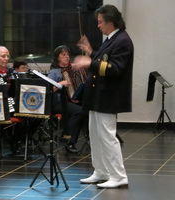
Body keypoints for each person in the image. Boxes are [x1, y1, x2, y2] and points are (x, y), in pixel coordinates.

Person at [74, 4, 134, 188]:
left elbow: (115, 69)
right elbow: (103, 59)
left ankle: (118, 175)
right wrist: (91, 51)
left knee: (107, 136)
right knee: (95, 135)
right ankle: (101, 171)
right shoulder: (111, 39)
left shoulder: (122, 40)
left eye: (100, 22)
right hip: (98, 96)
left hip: (109, 96)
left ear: (111, 22)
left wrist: (89, 61)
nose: (98, 25)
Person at [47, 45, 88, 153]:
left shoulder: (72, 69)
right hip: (57, 102)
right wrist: (61, 84)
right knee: (79, 112)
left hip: (69, 101)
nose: (67, 57)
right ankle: (69, 141)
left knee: (87, 109)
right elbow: (48, 89)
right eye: (63, 55)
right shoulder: (54, 72)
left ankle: (88, 139)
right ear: (57, 57)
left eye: (68, 54)